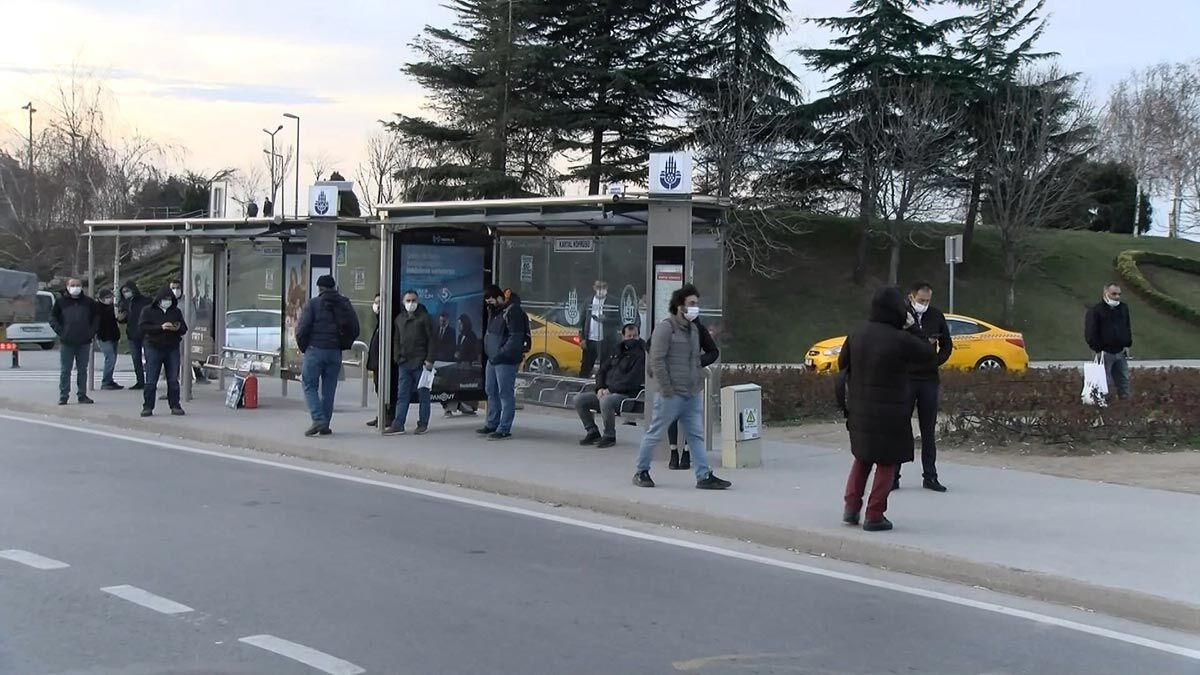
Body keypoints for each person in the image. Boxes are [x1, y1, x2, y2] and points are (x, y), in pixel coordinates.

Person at [837, 287, 936, 532]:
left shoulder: (857, 333)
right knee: (886, 463)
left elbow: (842, 363)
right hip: (891, 411)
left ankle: (851, 509)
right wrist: (912, 327)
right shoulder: (900, 338)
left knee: (862, 458)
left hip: (860, 408)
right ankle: (874, 515)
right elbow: (927, 354)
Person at [633, 285, 731, 490]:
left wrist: (698, 378)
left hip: (691, 393)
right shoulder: (665, 328)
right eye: (692, 304)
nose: (696, 308)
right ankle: (641, 471)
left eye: (697, 304)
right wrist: (666, 388)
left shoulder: (694, 330)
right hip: (671, 394)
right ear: (680, 306)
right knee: (655, 432)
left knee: (695, 435)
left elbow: (696, 359)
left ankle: (703, 476)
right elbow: (657, 360)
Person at [897, 281, 953, 493]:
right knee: (901, 427)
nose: (925, 304)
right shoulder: (901, 315)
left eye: (928, 301)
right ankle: (893, 475)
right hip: (906, 379)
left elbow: (947, 344)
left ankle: (930, 476)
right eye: (921, 300)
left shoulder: (936, 316)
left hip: (928, 379)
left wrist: (936, 361)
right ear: (911, 297)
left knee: (928, 429)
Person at [296, 274, 361, 437]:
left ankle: (318, 419)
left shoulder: (313, 304)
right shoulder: (345, 304)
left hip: (315, 350)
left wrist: (304, 347)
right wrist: (343, 344)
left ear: (319, 288)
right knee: (329, 389)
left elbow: (302, 329)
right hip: (335, 352)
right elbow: (355, 329)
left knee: (309, 385)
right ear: (334, 287)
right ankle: (325, 424)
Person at [576, 323, 645, 448]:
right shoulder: (616, 351)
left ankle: (609, 435)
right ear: (623, 337)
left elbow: (632, 380)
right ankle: (592, 431)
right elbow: (602, 370)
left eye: (635, 336)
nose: (632, 339)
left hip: (626, 397)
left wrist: (610, 390)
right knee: (580, 399)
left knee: (606, 401)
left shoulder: (642, 355)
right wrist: (600, 388)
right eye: (629, 336)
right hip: (607, 392)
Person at [664, 317, 719, 470]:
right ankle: (673, 452)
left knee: (689, 416)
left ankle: (687, 454)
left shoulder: (699, 329)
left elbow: (713, 352)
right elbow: (651, 345)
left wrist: (698, 362)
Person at [479, 284, 528, 441]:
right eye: (487, 301)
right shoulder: (493, 312)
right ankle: (492, 423)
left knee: (504, 393)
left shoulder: (512, 311)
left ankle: (504, 428)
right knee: (490, 391)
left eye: (491, 299)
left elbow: (515, 337)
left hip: (505, 360)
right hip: (492, 358)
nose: (489, 303)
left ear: (499, 297)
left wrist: (500, 353)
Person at [384, 290, 435, 436]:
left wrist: (430, 359)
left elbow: (432, 340)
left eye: (413, 300)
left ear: (418, 302)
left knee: (423, 394)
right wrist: (397, 357)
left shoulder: (425, 318)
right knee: (402, 394)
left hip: (421, 362)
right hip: (404, 362)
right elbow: (396, 340)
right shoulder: (399, 319)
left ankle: (423, 423)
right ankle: (398, 424)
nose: (410, 303)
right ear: (403, 302)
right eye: (408, 300)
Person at [138, 287, 188, 417]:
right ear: (159, 300)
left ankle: (175, 405)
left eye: (170, 299)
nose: (168, 302)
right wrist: (160, 327)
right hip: (153, 346)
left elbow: (184, 328)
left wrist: (176, 328)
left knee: (173, 378)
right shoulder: (148, 311)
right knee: (151, 379)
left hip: (172, 347)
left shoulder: (176, 312)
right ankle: (148, 406)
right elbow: (143, 326)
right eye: (165, 299)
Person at [50, 278, 98, 405]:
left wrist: (91, 332)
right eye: (72, 285)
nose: (75, 287)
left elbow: (96, 318)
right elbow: (53, 318)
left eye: (78, 285)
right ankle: (63, 395)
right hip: (67, 341)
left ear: (82, 287)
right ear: (67, 286)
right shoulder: (61, 302)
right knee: (66, 370)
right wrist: (61, 332)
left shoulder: (88, 302)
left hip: (84, 341)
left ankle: (82, 395)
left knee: (82, 370)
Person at [1085, 283, 1133, 400]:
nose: (1117, 297)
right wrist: (1097, 348)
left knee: (1124, 380)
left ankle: (1125, 405)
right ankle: (1101, 404)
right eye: (1114, 294)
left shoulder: (1123, 308)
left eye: (1119, 294)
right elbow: (1091, 331)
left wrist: (1127, 344)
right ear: (1105, 294)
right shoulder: (1096, 310)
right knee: (1102, 381)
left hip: (1120, 352)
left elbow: (1126, 327)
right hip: (1104, 352)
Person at [366, 293, 398, 428]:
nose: (377, 305)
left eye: (379, 302)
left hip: (386, 363)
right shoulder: (379, 321)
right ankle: (381, 415)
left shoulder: (389, 321)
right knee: (379, 389)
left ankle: (389, 417)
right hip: (376, 363)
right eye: (375, 302)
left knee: (388, 390)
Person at [117, 280, 152, 390]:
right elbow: (124, 318)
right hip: (132, 334)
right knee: (136, 359)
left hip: (146, 333)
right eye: (123, 292)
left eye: (127, 291)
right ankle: (140, 381)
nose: (126, 293)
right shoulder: (125, 302)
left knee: (149, 358)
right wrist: (120, 319)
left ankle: (150, 381)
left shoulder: (145, 301)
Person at [579, 279, 618, 378]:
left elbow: (619, 320)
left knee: (605, 367)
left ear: (607, 287)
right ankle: (580, 387)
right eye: (599, 287)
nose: (601, 290)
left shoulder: (613, 301)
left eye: (604, 287)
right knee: (586, 366)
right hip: (590, 340)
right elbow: (582, 321)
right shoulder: (588, 301)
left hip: (606, 340)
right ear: (594, 288)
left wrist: (606, 319)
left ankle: (602, 387)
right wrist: (582, 338)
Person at [443, 313, 480, 417]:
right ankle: (449, 407)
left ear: (465, 324)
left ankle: (465, 407)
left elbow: (474, 352)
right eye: (458, 324)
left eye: (461, 324)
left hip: (468, 365)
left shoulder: (472, 336)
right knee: (450, 380)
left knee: (457, 381)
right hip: (459, 365)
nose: (459, 326)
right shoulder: (459, 336)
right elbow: (458, 349)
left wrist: (462, 355)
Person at [96, 289, 124, 391]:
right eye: (107, 298)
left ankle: (109, 380)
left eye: (111, 297)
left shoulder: (111, 307)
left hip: (113, 336)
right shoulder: (98, 308)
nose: (110, 299)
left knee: (112, 359)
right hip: (103, 337)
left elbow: (113, 322)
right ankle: (106, 382)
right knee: (110, 358)